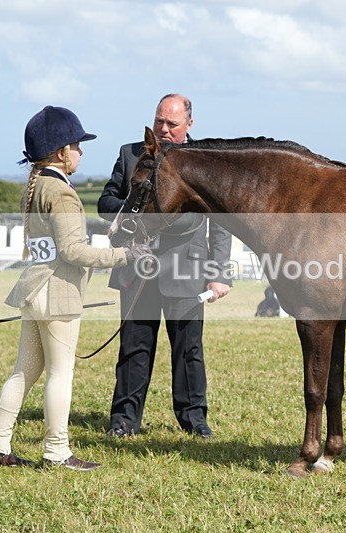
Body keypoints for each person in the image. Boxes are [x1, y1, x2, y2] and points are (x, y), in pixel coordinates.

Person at [0, 106, 150, 470]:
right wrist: (126, 254)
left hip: (34, 289)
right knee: (60, 375)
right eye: (77, 145)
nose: (81, 152)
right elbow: (74, 251)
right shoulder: (63, 193)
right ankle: (57, 451)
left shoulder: (37, 186)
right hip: (58, 294)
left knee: (24, 371)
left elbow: (57, 248)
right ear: (61, 152)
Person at [98, 94, 233, 439]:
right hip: (135, 267)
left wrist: (219, 273)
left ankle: (194, 419)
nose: (163, 129)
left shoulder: (205, 160)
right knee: (134, 347)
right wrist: (135, 210)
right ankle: (124, 420)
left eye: (172, 124)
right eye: (159, 121)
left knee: (189, 349)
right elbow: (105, 201)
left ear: (190, 124)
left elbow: (220, 222)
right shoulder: (131, 154)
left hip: (187, 269)